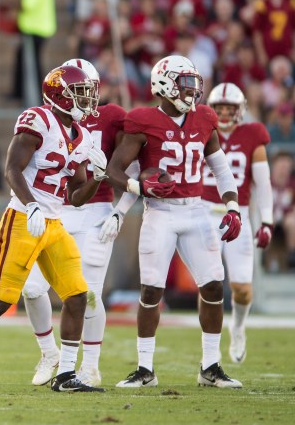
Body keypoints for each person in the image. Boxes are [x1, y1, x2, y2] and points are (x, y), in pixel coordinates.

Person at [0, 65, 107, 393]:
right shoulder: (39, 120)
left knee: (77, 296)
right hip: (23, 218)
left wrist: (98, 178)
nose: (88, 100)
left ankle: (65, 374)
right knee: (3, 298)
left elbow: (75, 196)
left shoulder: (84, 136)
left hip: (54, 223)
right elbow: (12, 170)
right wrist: (30, 204)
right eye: (81, 93)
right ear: (60, 94)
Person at [106, 55, 243, 389]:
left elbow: (221, 168)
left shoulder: (205, 118)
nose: (193, 91)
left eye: (195, 84)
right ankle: (145, 369)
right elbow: (114, 170)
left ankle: (211, 367)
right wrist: (133, 196)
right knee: (151, 290)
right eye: (186, 83)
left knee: (213, 285)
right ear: (164, 85)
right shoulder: (142, 120)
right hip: (161, 212)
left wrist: (233, 206)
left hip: (196, 210)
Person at [21, 58, 136, 388]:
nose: (86, 99)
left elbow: (136, 169)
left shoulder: (112, 116)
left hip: (96, 212)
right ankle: (48, 352)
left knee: (88, 294)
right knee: (31, 288)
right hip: (56, 208)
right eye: (78, 91)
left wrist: (120, 210)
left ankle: (90, 366)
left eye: (88, 90)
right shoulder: (46, 118)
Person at [201, 82, 274, 364]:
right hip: (203, 212)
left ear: (240, 109)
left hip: (237, 212)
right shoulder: (202, 131)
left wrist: (266, 220)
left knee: (242, 288)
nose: (224, 113)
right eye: (219, 108)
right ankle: (209, 350)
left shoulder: (253, 134)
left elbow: (263, 182)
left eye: (229, 108)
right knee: (208, 283)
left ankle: (238, 326)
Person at [12, 0, 56, 102]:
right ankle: (20, 93)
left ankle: (36, 95)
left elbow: (27, 5)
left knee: (34, 64)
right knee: (27, 60)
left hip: (36, 30)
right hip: (36, 29)